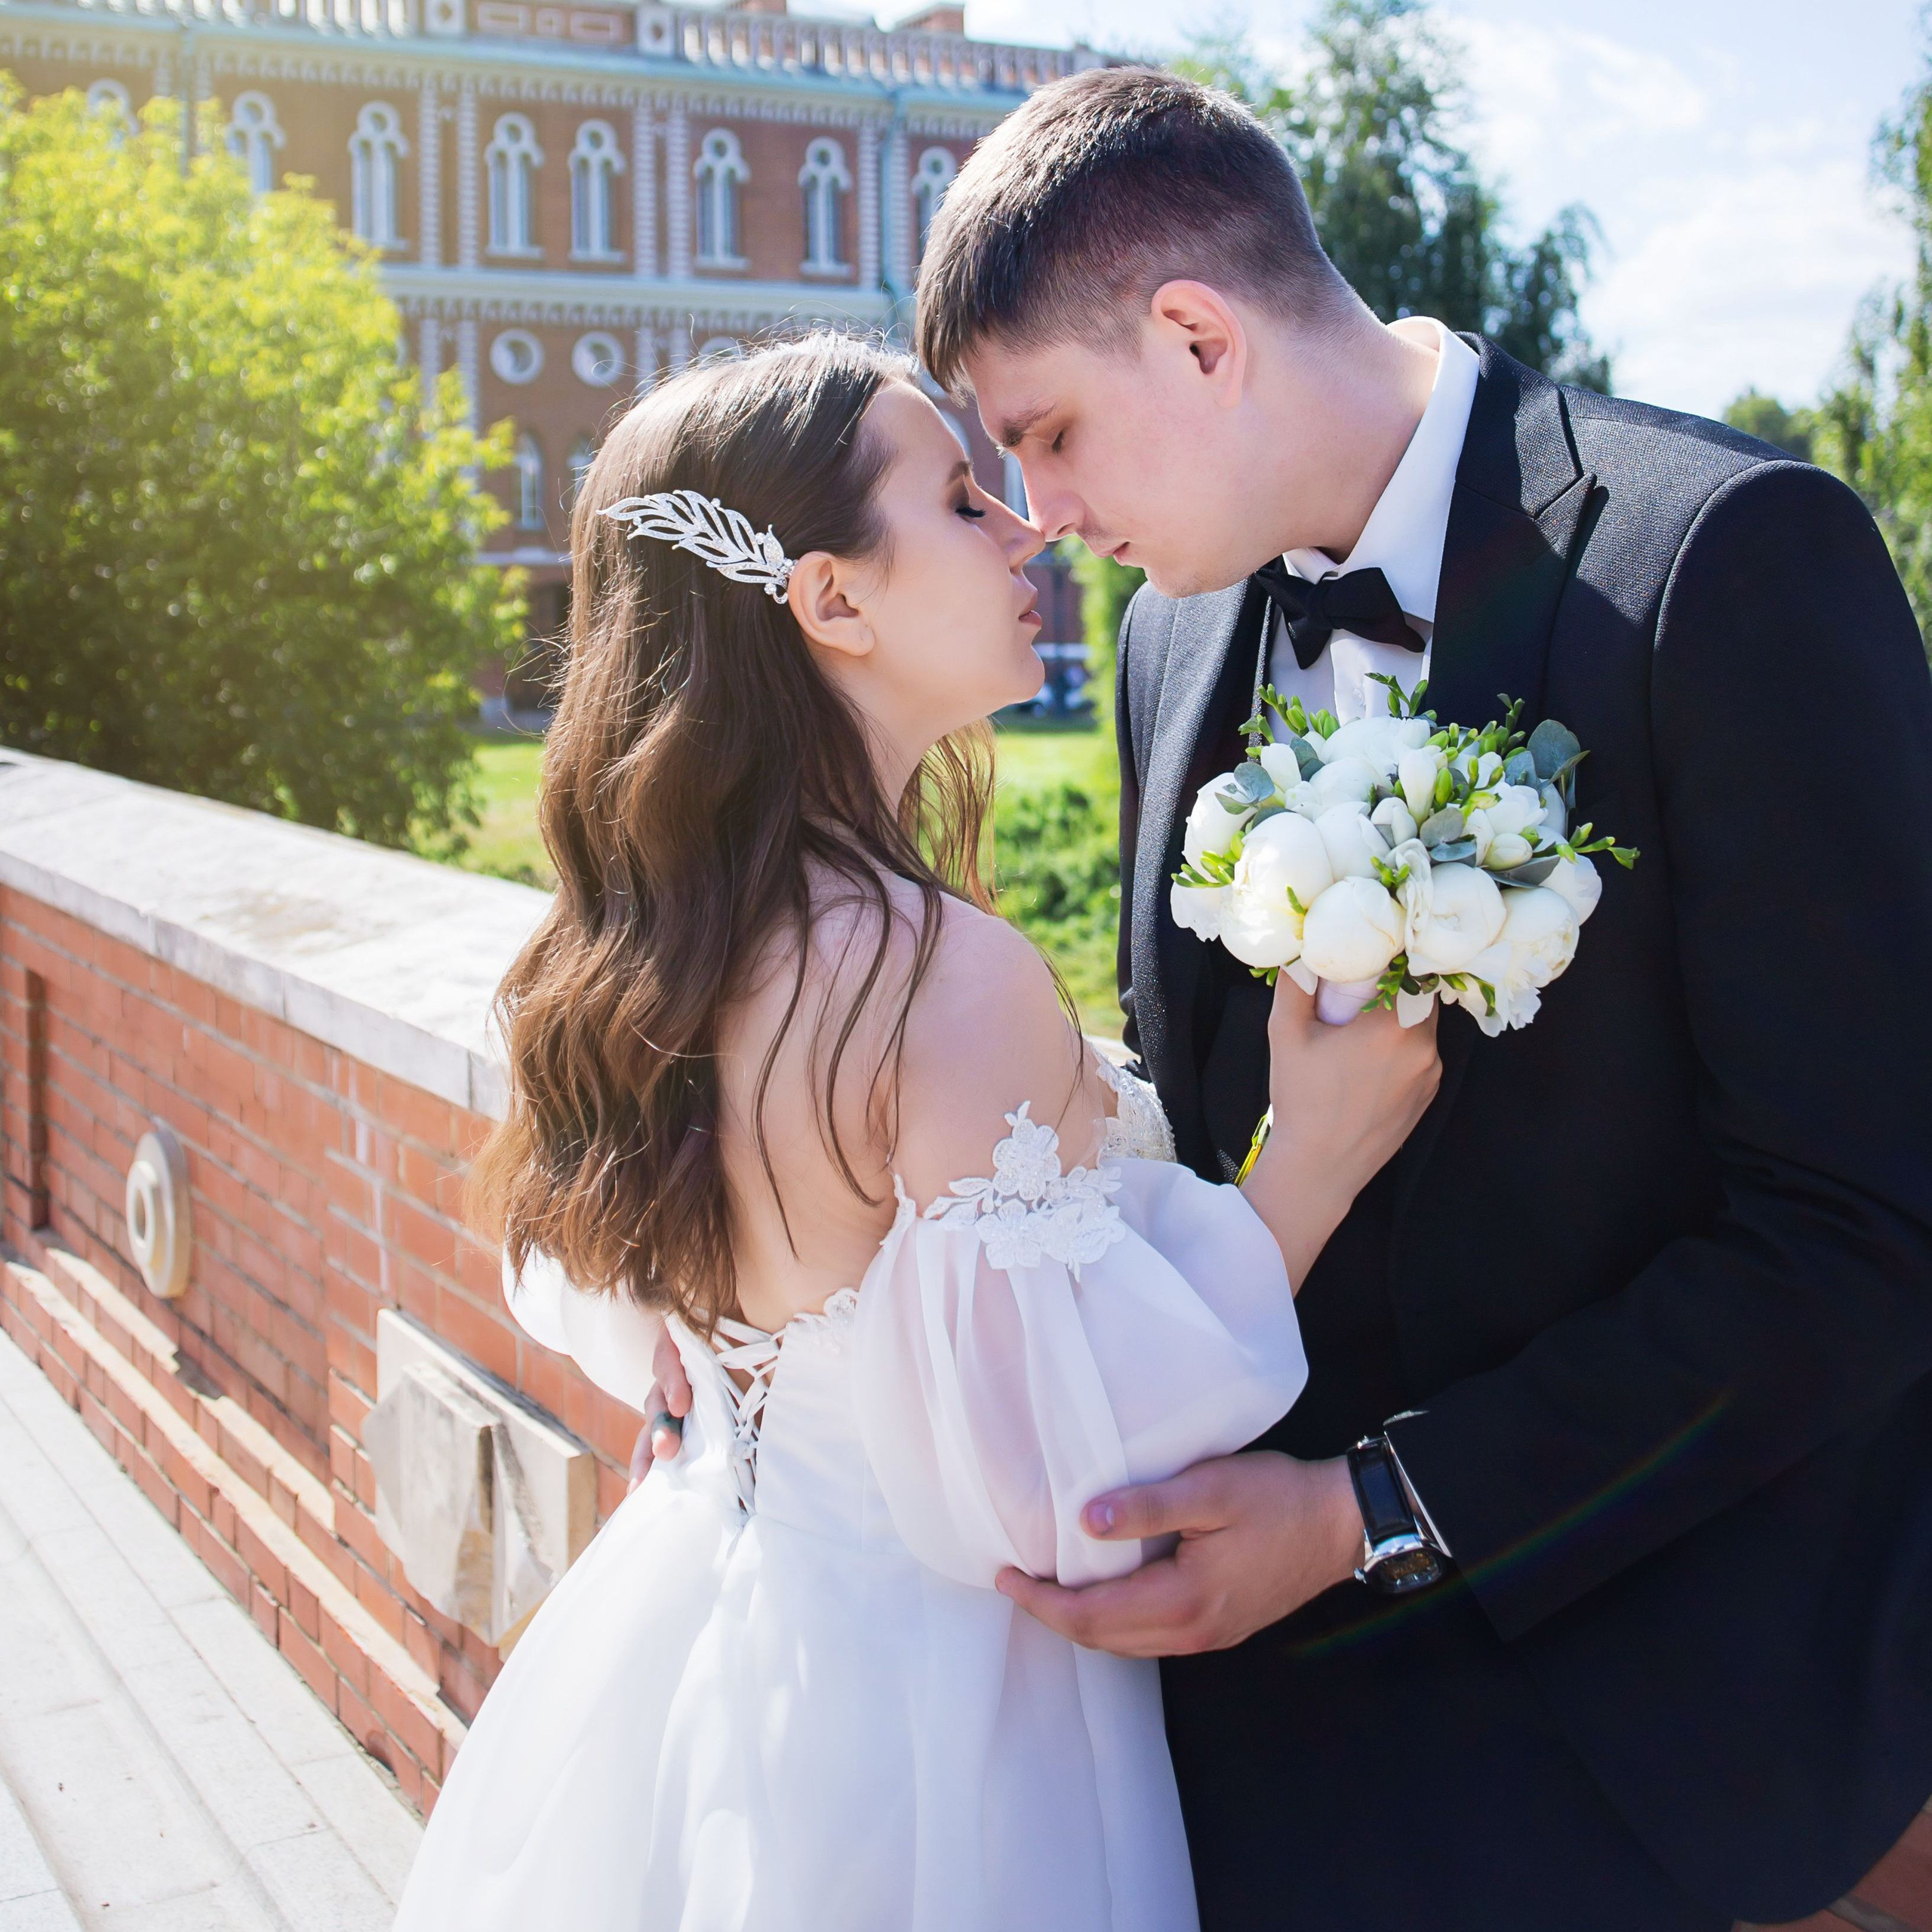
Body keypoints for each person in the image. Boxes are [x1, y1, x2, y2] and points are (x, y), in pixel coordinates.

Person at [900, 63, 1929, 1932]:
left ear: (1197, 337)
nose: (1034, 512)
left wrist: (1374, 1510)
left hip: (1634, 1718)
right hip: (1232, 1725)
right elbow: (1178, 1110)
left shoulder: (1725, 561)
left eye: (1045, 433)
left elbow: (1863, 1231)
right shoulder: (1168, 639)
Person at [393, 332, 1440, 1931]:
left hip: (707, 1638)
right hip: (940, 1727)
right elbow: (1056, 1490)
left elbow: (656, 1328)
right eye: (958, 497)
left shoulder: (653, 941)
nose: (1024, 528)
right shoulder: (933, 978)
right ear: (831, 599)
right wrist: (1308, 1160)